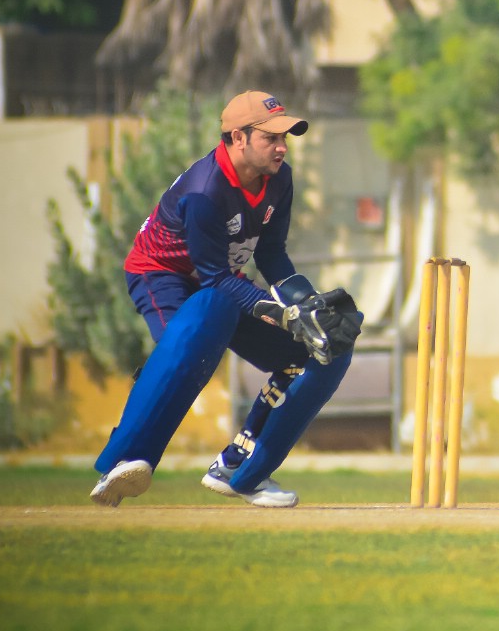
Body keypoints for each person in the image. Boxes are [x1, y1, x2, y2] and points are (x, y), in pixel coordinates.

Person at [90, 91, 363, 508]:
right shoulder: (205, 190)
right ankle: (124, 458)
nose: (282, 147)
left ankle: (241, 468)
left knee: (315, 352)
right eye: (271, 138)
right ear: (238, 137)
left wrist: (306, 305)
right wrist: (284, 315)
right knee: (191, 343)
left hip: (221, 283)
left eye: (284, 138)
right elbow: (214, 278)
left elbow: (271, 254)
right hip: (161, 275)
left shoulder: (279, 178)